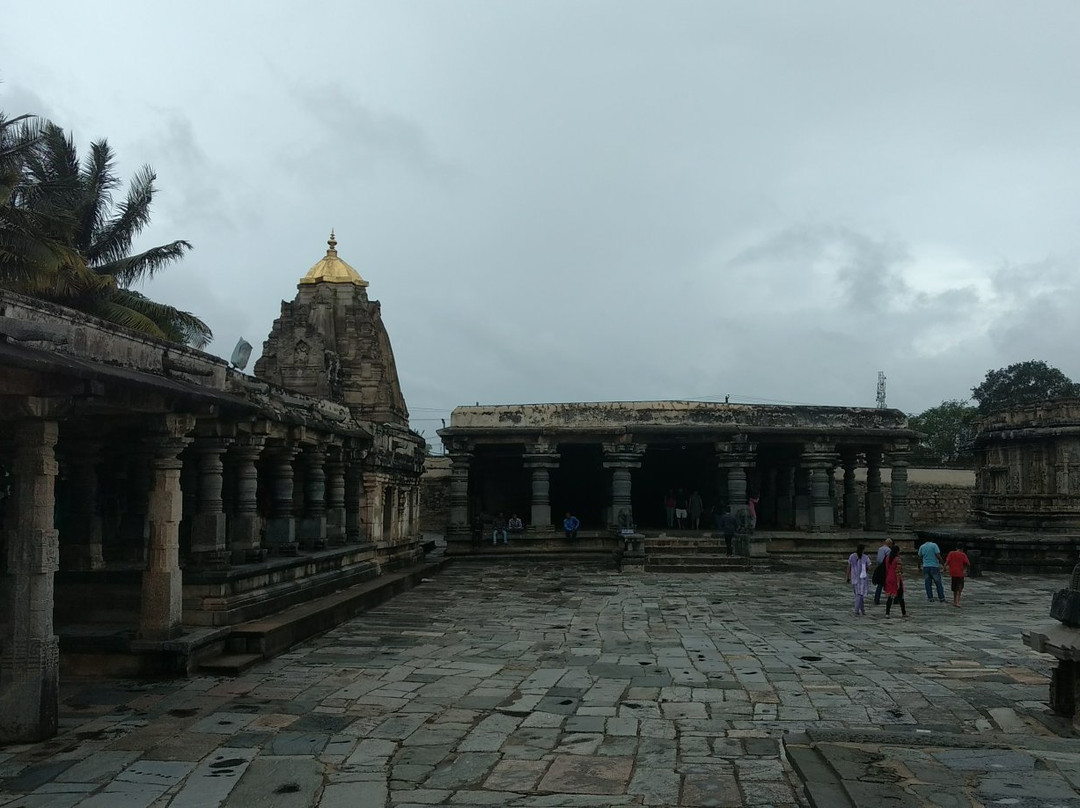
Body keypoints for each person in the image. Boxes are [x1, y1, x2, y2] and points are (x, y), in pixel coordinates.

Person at [845, 543, 871, 616]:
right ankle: (857, 610)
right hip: (862, 579)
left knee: (859, 594)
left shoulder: (852, 556)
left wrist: (847, 576)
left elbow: (848, 567)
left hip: (854, 578)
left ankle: (862, 609)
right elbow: (869, 566)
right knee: (859, 595)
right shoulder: (865, 557)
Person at [917, 539, 946, 603]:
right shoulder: (934, 545)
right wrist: (944, 564)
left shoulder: (922, 546)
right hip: (934, 567)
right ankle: (941, 598)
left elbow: (919, 558)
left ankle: (930, 598)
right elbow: (938, 555)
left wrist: (919, 567)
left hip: (926, 567)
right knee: (938, 583)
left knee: (928, 583)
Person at [884, 545, 907, 618]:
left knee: (890, 596)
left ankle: (887, 613)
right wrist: (898, 581)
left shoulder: (887, 558)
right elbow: (899, 571)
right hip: (896, 578)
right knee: (900, 596)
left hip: (888, 578)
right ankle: (904, 612)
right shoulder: (898, 559)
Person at [873, 537, 893, 605]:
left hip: (879, 567)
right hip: (885, 568)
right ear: (890, 544)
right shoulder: (888, 550)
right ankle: (890, 598)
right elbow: (888, 560)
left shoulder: (880, 549)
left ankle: (876, 599)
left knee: (880, 585)